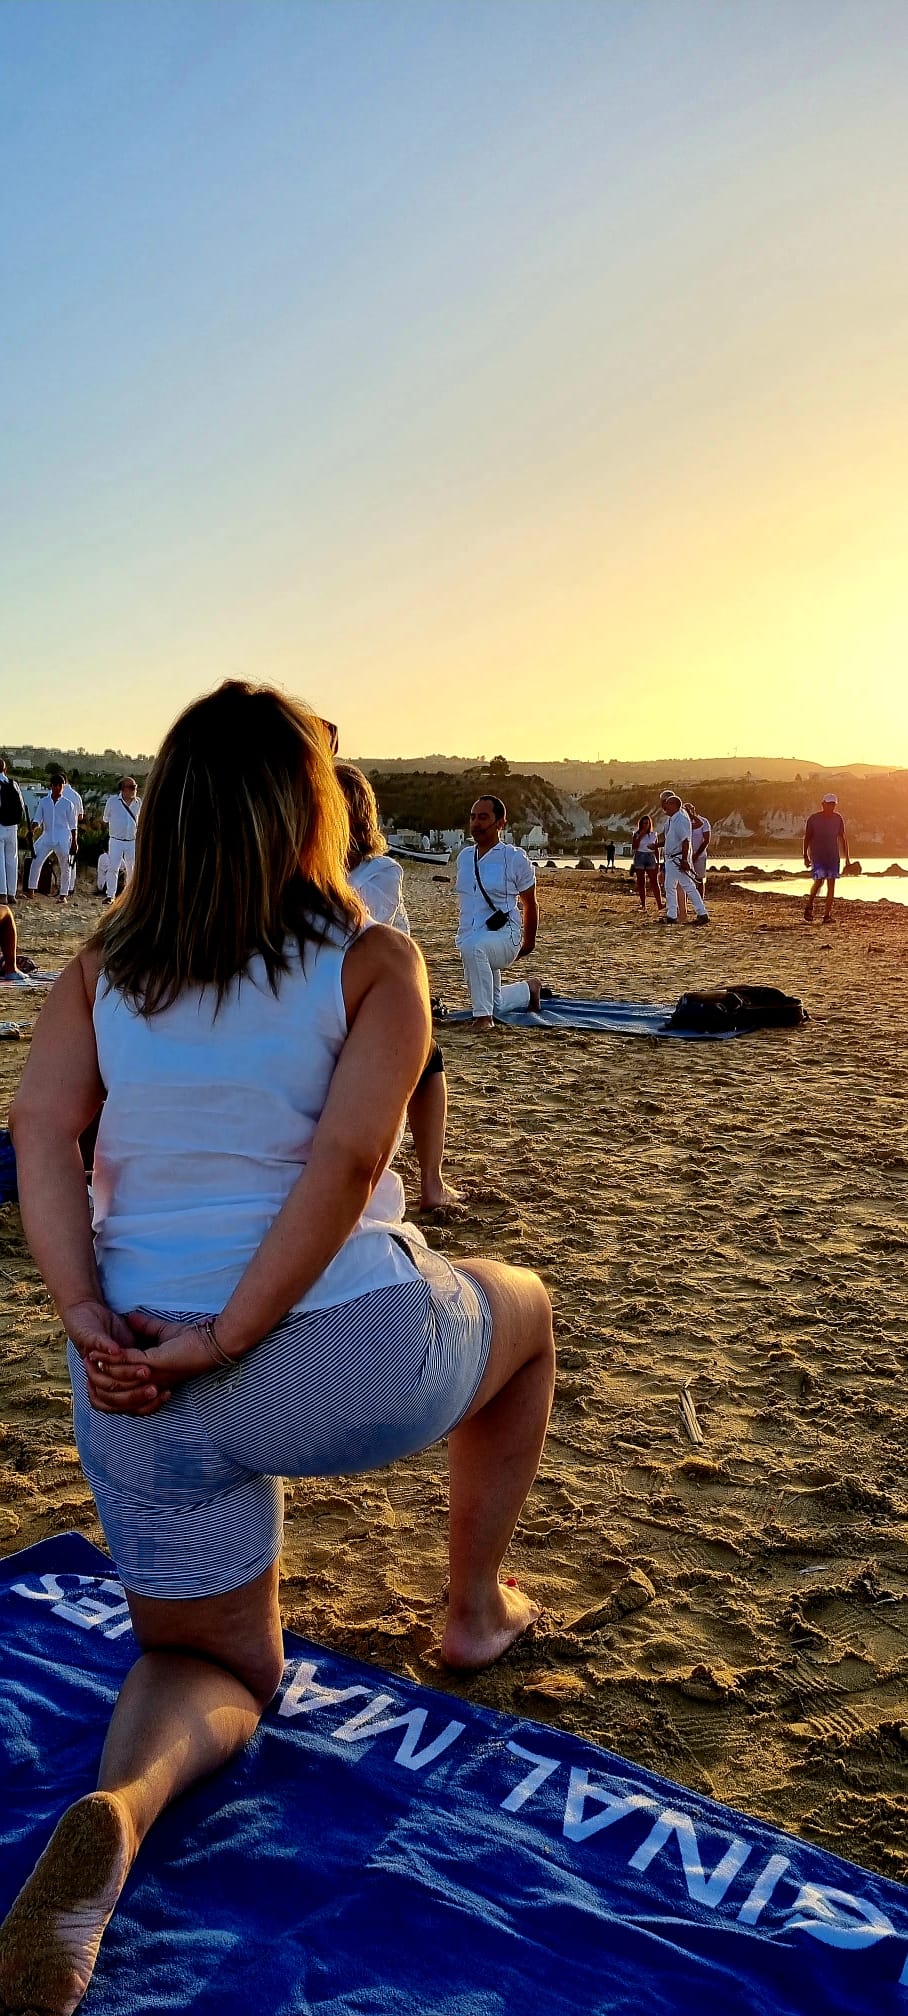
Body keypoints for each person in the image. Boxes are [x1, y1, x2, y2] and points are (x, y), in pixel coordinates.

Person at [1, 681, 555, 2013]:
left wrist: (88, 1322)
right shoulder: (371, 959)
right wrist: (237, 1334)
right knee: (524, 1312)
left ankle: (124, 1811)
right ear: (315, 809)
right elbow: (356, 1153)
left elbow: (40, 1139)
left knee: (213, 1664)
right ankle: (473, 1614)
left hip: (131, 1370)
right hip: (336, 1357)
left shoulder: (98, 967)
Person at [336, 761, 457, 1211]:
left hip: (390, 991)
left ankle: (432, 1182)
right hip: (338, 988)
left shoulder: (381, 871)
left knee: (427, 1062)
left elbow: (354, 928)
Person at [454, 797, 544, 1028]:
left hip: (505, 935)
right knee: (495, 1002)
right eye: (473, 817)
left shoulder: (514, 858)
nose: (476, 823)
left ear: (500, 823)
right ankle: (529, 989)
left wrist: (529, 943)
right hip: (470, 936)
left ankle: (484, 1020)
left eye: (483, 817)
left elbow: (530, 903)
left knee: (475, 948)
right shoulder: (464, 858)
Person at [24, 772, 78, 903]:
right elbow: (37, 820)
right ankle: (31, 890)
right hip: (47, 836)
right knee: (36, 861)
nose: (57, 788)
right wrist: (32, 830)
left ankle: (63, 895)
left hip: (63, 837)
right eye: (55, 785)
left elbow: (73, 825)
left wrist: (74, 842)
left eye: (60, 785)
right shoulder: (44, 802)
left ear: (63, 786)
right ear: (51, 786)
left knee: (65, 866)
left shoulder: (68, 804)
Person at [658, 792, 710, 925]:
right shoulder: (673, 818)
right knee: (670, 886)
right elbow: (671, 839)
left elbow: (685, 840)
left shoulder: (680, 819)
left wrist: (685, 860)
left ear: (675, 805)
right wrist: (656, 845)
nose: (665, 807)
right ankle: (671, 915)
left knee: (688, 886)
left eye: (667, 804)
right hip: (671, 859)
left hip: (678, 859)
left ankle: (702, 913)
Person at [803, 793, 850, 923]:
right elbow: (807, 837)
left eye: (833, 804)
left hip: (833, 857)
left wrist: (847, 858)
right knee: (818, 882)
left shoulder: (838, 819)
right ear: (823, 804)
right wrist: (805, 856)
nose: (831, 806)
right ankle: (809, 906)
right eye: (829, 804)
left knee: (831, 884)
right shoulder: (813, 819)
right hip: (818, 857)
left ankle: (827, 915)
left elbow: (842, 838)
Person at [102, 776, 142, 903]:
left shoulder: (138, 802)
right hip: (116, 840)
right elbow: (105, 818)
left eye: (135, 787)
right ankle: (110, 895)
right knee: (113, 867)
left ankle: (130, 896)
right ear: (123, 789)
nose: (134, 789)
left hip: (132, 841)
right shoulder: (112, 802)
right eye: (131, 787)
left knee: (132, 869)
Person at [0, 758, 26, 902]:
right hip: (12, 827)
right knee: (12, 859)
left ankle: (2, 893)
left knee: (0, 861)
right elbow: (21, 806)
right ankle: (11, 893)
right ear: (5, 769)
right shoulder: (12, 784)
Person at [629, 814, 663, 913]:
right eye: (643, 823)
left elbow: (657, 849)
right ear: (640, 824)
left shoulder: (653, 835)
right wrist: (640, 836)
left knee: (654, 882)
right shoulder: (636, 834)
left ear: (649, 824)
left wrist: (658, 862)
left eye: (647, 823)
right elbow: (634, 847)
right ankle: (643, 905)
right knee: (641, 882)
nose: (645, 825)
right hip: (639, 856)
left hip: (650, 856)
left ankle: (659, 904)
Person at [61, 773, 85, 898]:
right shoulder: (76, 795)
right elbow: (81, 816)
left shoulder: (58, 794)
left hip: (60, 830)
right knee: (71, 860)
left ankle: (61, 887)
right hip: (72, 830)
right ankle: (70, 887)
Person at [686, 803, 711, 897]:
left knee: (699, 879)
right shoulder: (684, 822)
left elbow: (706, 840)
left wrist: (696, 854)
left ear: (694, 809)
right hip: (686, 854)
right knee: (686, 879)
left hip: (700, 855)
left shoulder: (703, 821)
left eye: (690, 809)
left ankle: (700, 901)